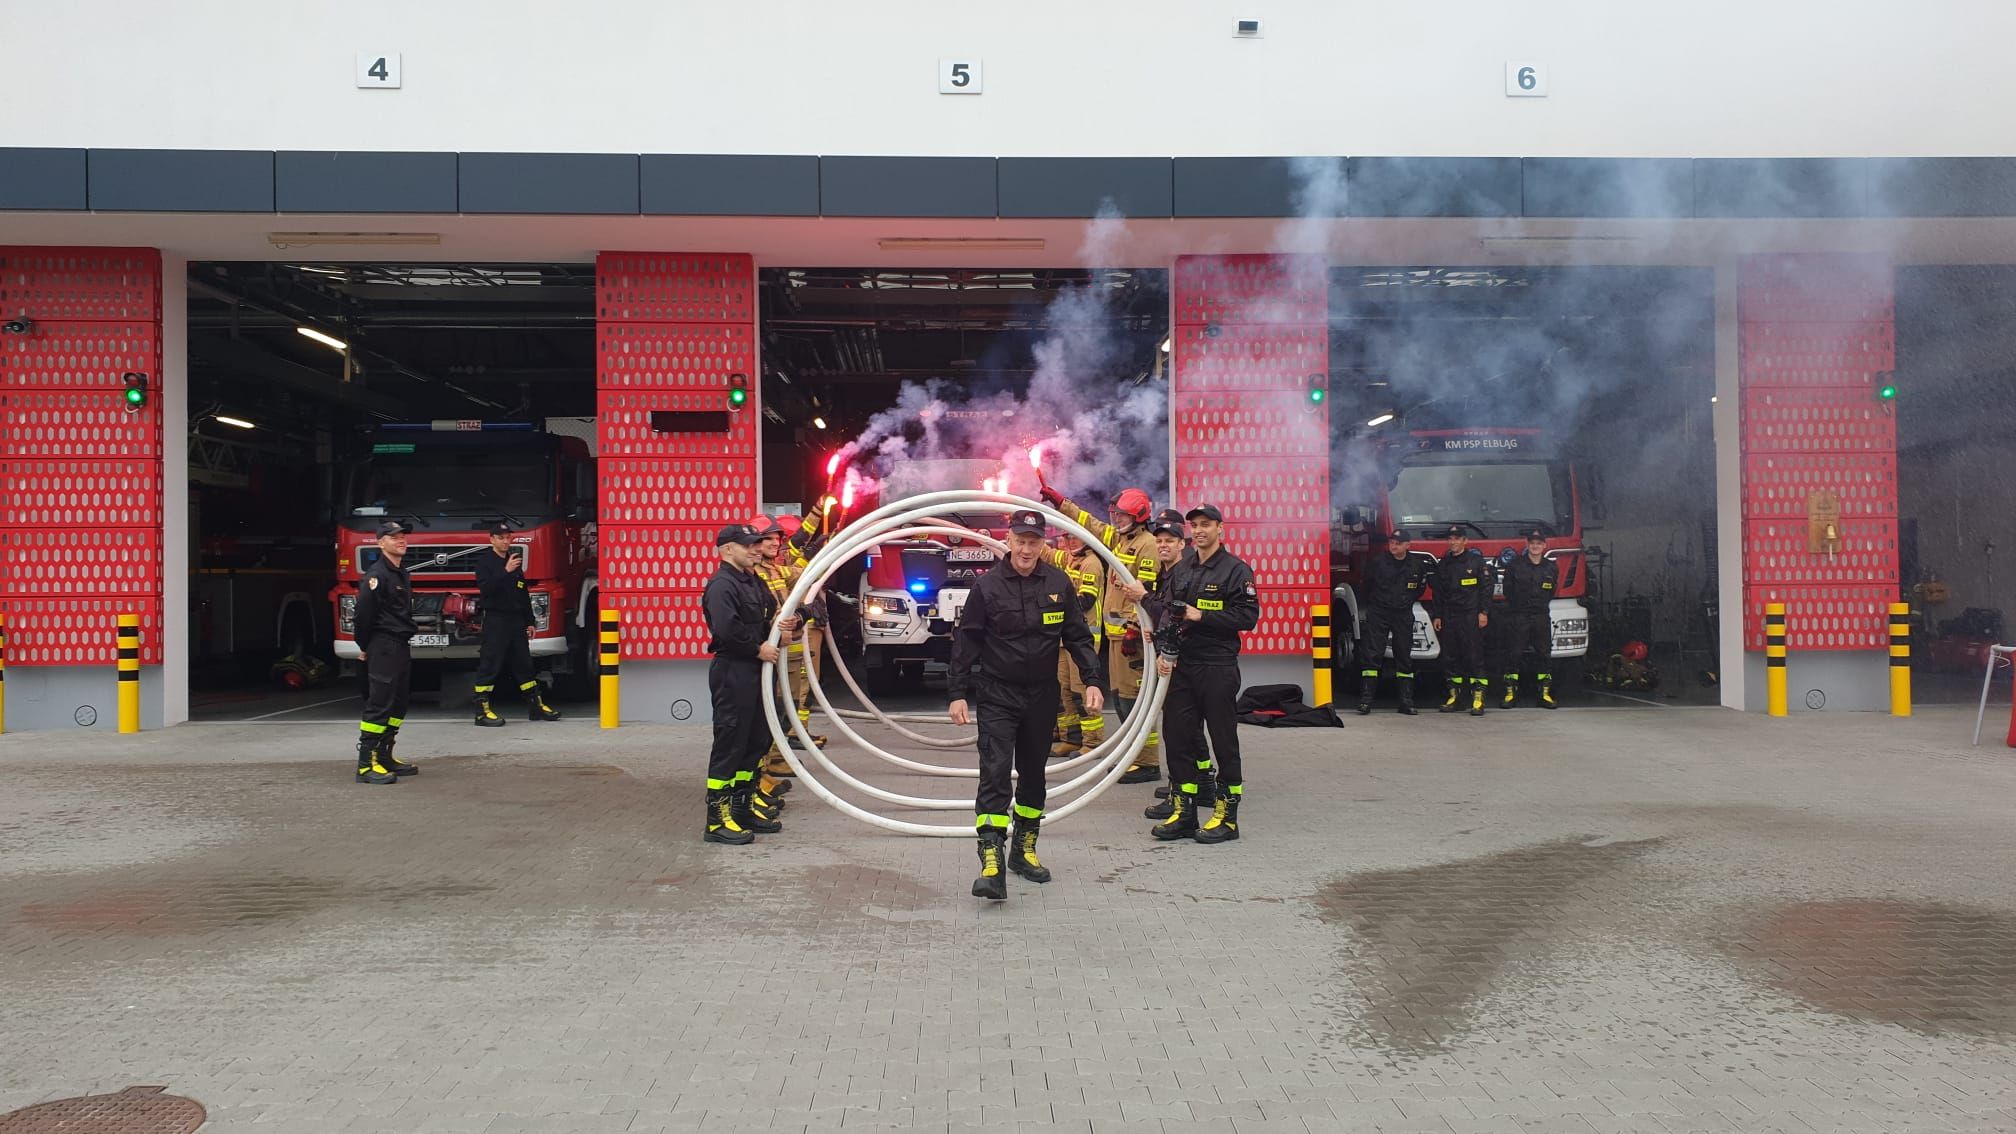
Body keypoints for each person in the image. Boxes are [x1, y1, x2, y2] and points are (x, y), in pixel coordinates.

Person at [948, 508, 1104, 900]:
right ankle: (991, 862)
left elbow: (1077, 636)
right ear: (1009, 541)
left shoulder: (1058, 583)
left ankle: (1023, 850)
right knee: (995, 772)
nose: (1026, 549)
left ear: (1042, 544)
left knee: (1034, 776)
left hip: (1041, 696)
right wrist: (957, 692)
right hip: (997, 695)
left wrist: (1092, 680)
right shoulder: (987, 587)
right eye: (1020, 541)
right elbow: (967, 640)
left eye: (1033, 542)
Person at [1151, 504, 1259, 843]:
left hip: (1217, 666)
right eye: (1195, 525)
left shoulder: (1236, 570)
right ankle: (1184, 813)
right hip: (1183, 666)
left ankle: (1227, 818)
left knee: (1223, 741)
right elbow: (1168, 613)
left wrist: (1202, 615)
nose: (1199, 530)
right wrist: (1163, 650)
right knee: (1178, 738)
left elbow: (1248, 617)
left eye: (1206, 524)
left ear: (1220, 528)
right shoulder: (1183, 568)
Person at [1039, 483, 1156, 782]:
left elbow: (1147, 591)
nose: (1116, 520)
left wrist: (1134, 627)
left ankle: (1146, 762)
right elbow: (1088, 522)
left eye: (1122, 516)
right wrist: (1060, 503)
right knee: (1122, 699)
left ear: (1139, 516)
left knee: (1134, 699)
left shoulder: (1147, 545)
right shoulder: (1119, 540)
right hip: (1118, 637)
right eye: (1116, 515)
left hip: (1133, 638)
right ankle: (1133, 756)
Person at [701, 522, 798, 845]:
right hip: (735, 671)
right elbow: (727, 630)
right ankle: (717, 820)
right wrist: (758, 648)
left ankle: (742, 808)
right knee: (731, 743)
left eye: (757, 543)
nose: (756, 549)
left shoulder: (751, 580)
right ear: (728, 549)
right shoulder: (722, 585)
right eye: (749, 545)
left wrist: (782, 626)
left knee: (755, 740)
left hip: (757, 670)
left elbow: (769, 614)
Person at [471, 523, 562, 726]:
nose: (506, 541)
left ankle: (536, 707)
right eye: (501, 538)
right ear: (492, 539)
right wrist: (505, 571)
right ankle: (481, 711)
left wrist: (530, 621)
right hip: (496, 619)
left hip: (516, 620)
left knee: (524, 664)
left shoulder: (514, 560)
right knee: (490, 663)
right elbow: (487, 589)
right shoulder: (485, 562)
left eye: (508, 537)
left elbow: (522, 592)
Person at [353, 520, 419, 784]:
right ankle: (366, 764)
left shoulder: (401, 572)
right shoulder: (377, 575)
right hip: (383, 644)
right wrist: (365, 646)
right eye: (394, 537)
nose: (401, 540)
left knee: (398, 703)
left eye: (403, 537)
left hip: (400, 644)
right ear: (381, 543)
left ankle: (384, 756)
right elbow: (363, 615)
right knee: (380, 703)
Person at [1141, 511, 1190, 823]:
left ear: (1181, 543)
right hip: (1170, 656)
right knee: (1183, 728)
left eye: (1169, 540)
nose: (1162, 545)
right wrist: (1156, 635)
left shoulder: (1183, 575)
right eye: (1159, 540)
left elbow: (1174, 613)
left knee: (1178, 729)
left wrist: (1143, 596)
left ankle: (1182, 792)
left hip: (1179, 661)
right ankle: (1196, 785)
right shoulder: (1168, 572)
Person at [1355, 529, 1432, 715]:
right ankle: (1365, 701)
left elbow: (1420, 588)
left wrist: (1406, 601)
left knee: (1404, 656)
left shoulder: (1416, 565)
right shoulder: (1378, 562)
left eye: (1398, 543)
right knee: (1373, 654)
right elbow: (1367, 585)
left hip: (1402, 613)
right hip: (1379, 612)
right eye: (1391, 543)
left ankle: (1406, 702)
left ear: (1407, 545)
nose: (1393, 546)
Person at [1046, 530, 1106, 758]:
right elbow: (1047, 554)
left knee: (1082, 691)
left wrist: (1053, 603)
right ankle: (1070, 739)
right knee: (1064, 690)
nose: (1068, 542)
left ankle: (1093, 742)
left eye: (1073, 538)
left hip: (1083, 639)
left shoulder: (1091, 564)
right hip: (1064, 638)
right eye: (1065, 538)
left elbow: (1086, 600)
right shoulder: (1070, 558)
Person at [1431, 525, 1492, 716]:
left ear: (1465, 541)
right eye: (1450, 539)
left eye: (1457, 539)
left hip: (1470, 615)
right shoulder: (1444, 564)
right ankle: (1454, 698)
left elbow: (1486, 589)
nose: (1453, 542)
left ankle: (1478, 699)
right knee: (1450, 658)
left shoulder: (1476, 562)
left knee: (1474, 657)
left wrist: (1483, 612)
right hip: (1449, 616)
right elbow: (1438, 593)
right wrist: (1437, 615)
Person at [1498, 529, 1561, 709]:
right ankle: (1510, 693)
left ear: (1544, 545)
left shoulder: (1551, 567)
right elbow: (1508, 591)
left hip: (1541, 616)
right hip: (1519, 616)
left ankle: (1544, 694)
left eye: (1539, 543)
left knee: (1544, 655)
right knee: (1514, 654)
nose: (1535, 546)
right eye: (1532, 543)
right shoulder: (1514, 566)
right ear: (1527, 544)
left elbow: (1551, 590)